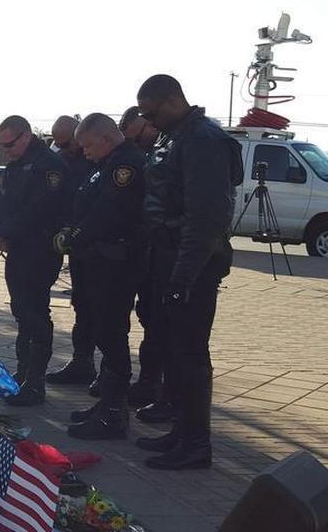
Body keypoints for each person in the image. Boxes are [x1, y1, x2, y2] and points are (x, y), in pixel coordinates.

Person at [133, 74, 242, 471]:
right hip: (167, 256)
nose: (149, 121)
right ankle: (181, 430)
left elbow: (206, 219)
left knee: (192, 354)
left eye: (152, 112)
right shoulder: (173, 136)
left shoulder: (203, 140)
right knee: (175, 351)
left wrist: (182, 277)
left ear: (173, 99)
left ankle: (197, 443)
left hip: (192, 262)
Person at [53, 113, 146, 439]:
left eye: (88, 145)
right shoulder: (105, 164)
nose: (85, 152)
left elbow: (108, 212)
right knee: (104, 331)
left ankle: (114, 413)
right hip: (99, 260)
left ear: (105, 139)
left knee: (112, 333)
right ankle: (107, 403)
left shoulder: (126, 166)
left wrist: (76, 236)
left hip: (116, 262)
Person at [0, 116, 68, 406]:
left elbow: (39, 210)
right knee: (21, 311)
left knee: (35, 313)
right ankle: (22, 373)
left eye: (9, 144)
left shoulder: (49, 166)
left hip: (39, 250)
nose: (5, 150)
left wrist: (5, 231)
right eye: (2, 145)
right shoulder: (15, 165)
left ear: (25, 136)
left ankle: (35, 382)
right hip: (17, 249)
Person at [120, 104, 170, 417]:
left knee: (168, 330)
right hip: (151, 251)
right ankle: (150, 384)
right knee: (150, 319)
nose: (138, 144)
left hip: (171, 254)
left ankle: (167, 396)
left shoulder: (174, 149)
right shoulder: (154, 153)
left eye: (139, 136)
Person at [46, 115, 100, 390]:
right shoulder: (63, 161)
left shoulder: (96, 163)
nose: (59, 147)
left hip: (99, 248)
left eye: (64, 142)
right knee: (81, 305)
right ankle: (82, 361)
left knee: (101, 311)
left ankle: (106, 375)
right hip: (78, 246)